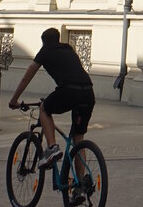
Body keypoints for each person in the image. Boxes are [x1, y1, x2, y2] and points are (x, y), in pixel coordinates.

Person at [8, 28, 95, 173]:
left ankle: (52, 148)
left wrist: (14, 100)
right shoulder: (68, 49)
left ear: (43, 42)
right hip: (88, 92)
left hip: (69, 90)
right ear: (58, 39)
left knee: (44, 108)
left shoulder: (45, 51)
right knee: (78, 139)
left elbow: (27, 76)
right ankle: (80, 187)